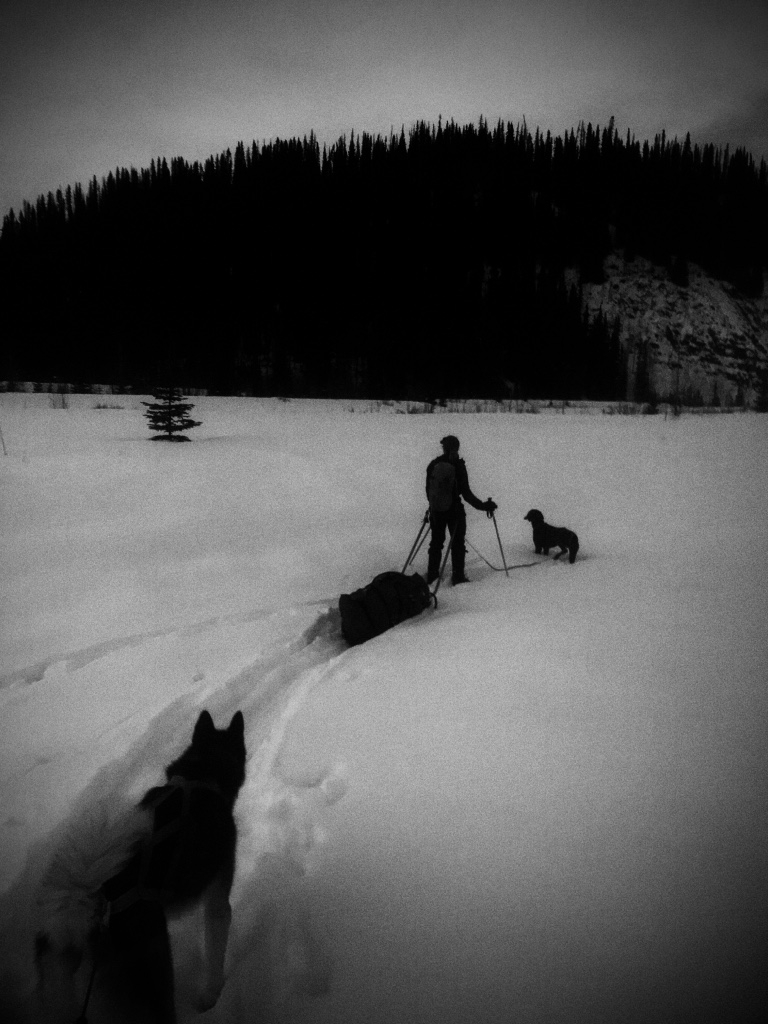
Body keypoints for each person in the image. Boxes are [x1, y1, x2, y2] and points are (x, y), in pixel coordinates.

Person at [425, 435, 497, 585]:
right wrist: (483, 506)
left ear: (444, 448)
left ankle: (432, 574)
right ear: (457, 448)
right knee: (457, 544)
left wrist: (434, 507)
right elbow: (466, 494)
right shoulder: (458, 465)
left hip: (436, 511)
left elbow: (429, 490)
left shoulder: (434, 464)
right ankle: (458, 577)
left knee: (436, 543)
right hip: (455, 512)